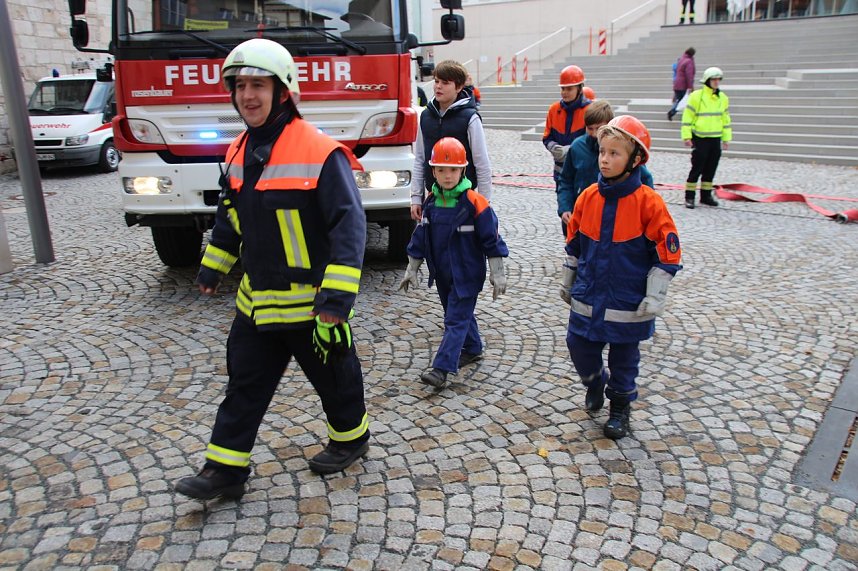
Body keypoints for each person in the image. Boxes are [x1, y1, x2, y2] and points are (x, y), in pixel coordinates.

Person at [174, 39, 370, 501]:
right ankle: (224, 470)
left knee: (336, 381)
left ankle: (350, 438)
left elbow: (349, 227)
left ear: (283, 91)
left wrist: (337, 301)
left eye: (258, 85)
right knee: (244, 385)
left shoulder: (322, 151)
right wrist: (211, 268)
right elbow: (231, 217)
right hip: (257, 304)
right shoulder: (238, 150)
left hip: (310, 308)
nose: (248, 96)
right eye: (240, 86)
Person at [560, 116, 682, 440]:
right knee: (577, 344)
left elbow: (668, 252)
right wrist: (567, 279)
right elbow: (573, 242)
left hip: (627, 300)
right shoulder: (587, 196)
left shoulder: (649, 202)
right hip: (588, 293)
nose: (605, 159)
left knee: (624, 360)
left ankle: (619, 409)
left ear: (635, 159)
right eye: (603, 151)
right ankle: (594, 382)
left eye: (615, 153)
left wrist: (655, 295)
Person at [399, 137, 509, 389]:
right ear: (433, 171)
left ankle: (442, 368)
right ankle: (473, 347)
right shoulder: (430, 202)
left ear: (463, 170)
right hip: (442, 274)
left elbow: (491, 239)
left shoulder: (475, 203)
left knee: (454, 320)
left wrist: (497, 273)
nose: (447, 175)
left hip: (467, 275)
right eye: (440, 170)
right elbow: (420, 237)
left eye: (453, 170)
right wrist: (411, 268)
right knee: (455, 314)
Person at [411, 60, 493, 223]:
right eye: (436, 81)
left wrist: (484, 203)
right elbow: (420, 159)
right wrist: (415, 198)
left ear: (458, 87)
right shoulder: (425, 117)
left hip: (465, 199)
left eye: (445, 83)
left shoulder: (470, 118)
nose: (438, 86)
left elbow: (482, 163)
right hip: (433, 198)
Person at [556, 100, 654, 235]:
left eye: (598, 128)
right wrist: (565, 207)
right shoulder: (577, 147)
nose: (595, 133)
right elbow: (565, 180)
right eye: (590, 128)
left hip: (612, 220)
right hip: (580, 217)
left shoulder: (623, 151)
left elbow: (645, 181)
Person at [681, 66, 732, 209]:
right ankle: (689, 197)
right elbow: (687, 117)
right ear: (707, 81)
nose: (716, 82)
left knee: (711, 169)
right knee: (696, 168)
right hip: (700, 138)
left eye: (718, 79)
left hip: (715, 139)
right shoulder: (696, 96)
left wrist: (726, 139)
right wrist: (686, 136)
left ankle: (706, 196)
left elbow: (725, 119)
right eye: (713, 79)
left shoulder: (723, 98)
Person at [543, 65, 592, 192]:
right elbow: (547, 137)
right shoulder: (554, 110)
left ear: (580, 89)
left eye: (569, 89)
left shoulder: (589, 111)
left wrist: (571, 150)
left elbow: (592, 139)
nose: (564, 92)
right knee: (564, 207)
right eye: (563, 89)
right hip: (561, 172)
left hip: (582, 172)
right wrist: (555, 148)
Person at [667, 47, 695, 121]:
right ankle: (674, 112)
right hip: (683, 85)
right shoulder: (689, 61)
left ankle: (673, 111)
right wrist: (690, 86)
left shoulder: (681, 60)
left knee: (679, 100)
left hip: (677, 84)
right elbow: (689, 75)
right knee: (686, 101)